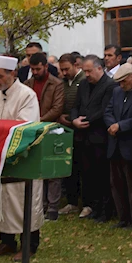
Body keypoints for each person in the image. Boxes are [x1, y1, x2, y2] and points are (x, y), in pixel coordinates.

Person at [0, 55, 43, 261]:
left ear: (12, 73)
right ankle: (7, 242)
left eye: (0, 76)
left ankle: (29, 245)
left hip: (22, 157)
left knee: (23, 200)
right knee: (2, 199)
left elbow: (25, 126)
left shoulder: (27, 95)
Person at [71, 55, 117, 221]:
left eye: (89, 71)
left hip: (99, 137)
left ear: (99, 68)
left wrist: (87, 120)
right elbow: (76, 106)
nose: (87, 74)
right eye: (85, 71)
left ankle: (105, 210)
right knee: (88, 175)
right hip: (83, 138)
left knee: (102, 176)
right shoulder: (83, 84)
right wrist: (75, 119)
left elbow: (105, 109)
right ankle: (92, 206)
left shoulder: (110, 85)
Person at [104, 63, 132, 229]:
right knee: (116, 183)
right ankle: (123, 217)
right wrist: (112, 124)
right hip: (115, 144)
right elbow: (108, 111)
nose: (121, 85)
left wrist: (121, 126)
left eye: (124, 81)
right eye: (119, 82)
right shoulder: (116, 92)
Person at [25, 52, 65, 221]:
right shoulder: (27, 84)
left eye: (38, 69)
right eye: (32, 69)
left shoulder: (57, 84)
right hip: (32, 131)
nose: (35, 72)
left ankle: (53, 208)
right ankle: (38, 205)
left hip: (50, 130)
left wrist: (38, 120)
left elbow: (57, 108)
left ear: (46, 67)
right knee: (35, 170)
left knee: (52, 171)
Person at [57, 53, 86, 215]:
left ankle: (84, 201)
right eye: (62, 70)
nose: (64, 72)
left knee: (82, 167)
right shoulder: (63, 82)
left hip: (80, 128)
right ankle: (71, 201)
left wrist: (73, 118)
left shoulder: (83, 81)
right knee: (69, 167)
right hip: (65, 129)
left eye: (67, 69)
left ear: (76, 65)